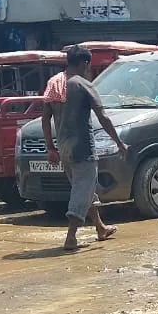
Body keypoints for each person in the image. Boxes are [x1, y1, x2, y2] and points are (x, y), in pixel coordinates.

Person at [43, 45, 125, 251]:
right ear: (84, 63)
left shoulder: (54, 83)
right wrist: (119, 142)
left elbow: (45, 118)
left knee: (85, 188)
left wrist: (50, 148)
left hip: (64, 148)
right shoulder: (83, 85)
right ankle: (71, 237)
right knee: (82, 191)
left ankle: (100, 228)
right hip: (83, 148)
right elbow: (103, 117)